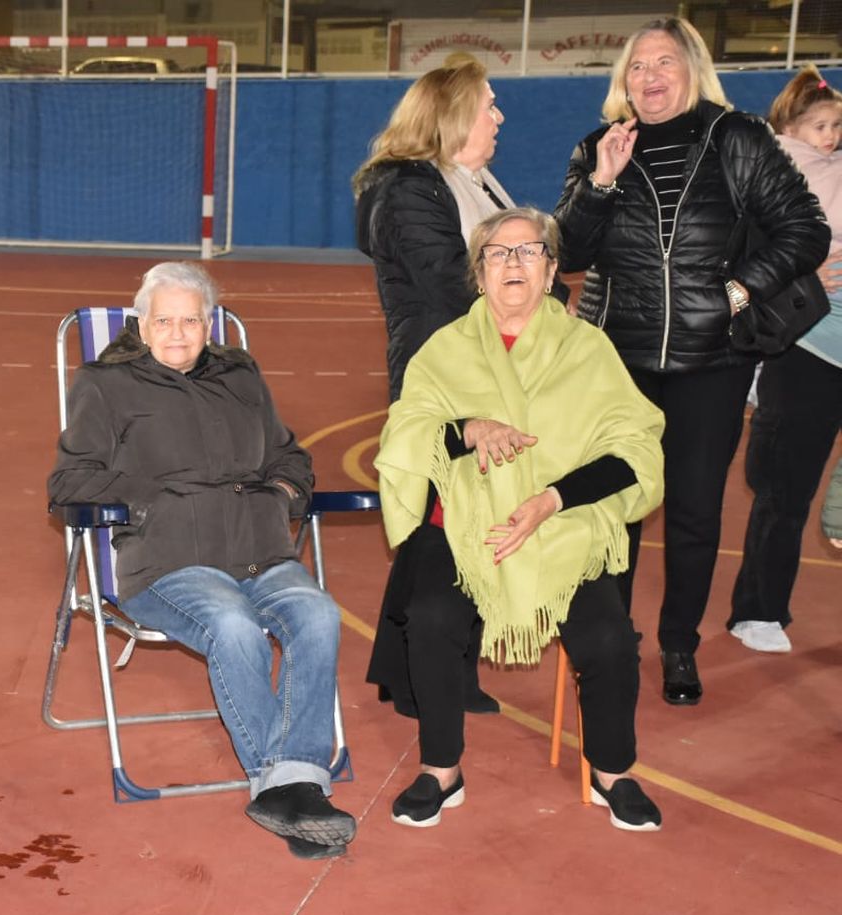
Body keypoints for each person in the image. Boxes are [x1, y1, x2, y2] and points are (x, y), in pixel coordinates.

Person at [553, 17, 828, 705]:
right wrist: (602, 183)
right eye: (637, 64)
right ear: (624, 79)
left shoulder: (738, 137)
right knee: (614, 505)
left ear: (692, 70)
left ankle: (679, 644)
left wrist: (738, 290)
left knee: (695, 510)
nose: (649, 75)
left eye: (664, 62)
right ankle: (611, 641)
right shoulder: (597, 146)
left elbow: (805, 229)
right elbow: (571, 253)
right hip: (617, 362)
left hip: (713, 361)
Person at [47, 262, 356, 861]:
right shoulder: (105, 384)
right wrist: (154, 501)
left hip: (259, 552)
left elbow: (289, 456)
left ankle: (289, 786)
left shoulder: (241, 375)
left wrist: (283, 494)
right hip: (170, 563)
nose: (177, 333)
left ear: (208, 324)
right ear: (142, 323)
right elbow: (68, 482)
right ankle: (290, 789)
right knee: (233, 626)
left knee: (318, 615)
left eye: (190, 321)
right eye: (164, 320)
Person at [376, 207, 666, 831]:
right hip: (465, 529)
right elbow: (407, 434)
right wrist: (467, 429)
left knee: (610, 639)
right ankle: (440, 771)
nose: (513, 263)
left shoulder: (588, 349)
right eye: (498, 253)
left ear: (552, 271)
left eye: (529, 251)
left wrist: (552, 499)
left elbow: (635, 449)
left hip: (561, 525)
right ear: (478, 273)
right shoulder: (445, 350)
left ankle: (613, 771)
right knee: (429, 619)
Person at [353, 55, 521, 719]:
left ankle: (420, 668)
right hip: (441, 380)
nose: (499, 117)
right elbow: (459, 283)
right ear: (453, 117)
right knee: (438, 532)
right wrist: (541, 300)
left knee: (460, 527)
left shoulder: (474, 183)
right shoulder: (409, 190)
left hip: (484, 373)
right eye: (488, 105)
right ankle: (425, 673)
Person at [727, 66, 842, 654]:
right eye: (819, 126)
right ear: (790, 128)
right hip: (808, 348)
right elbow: (758, 253)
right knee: (784, 489)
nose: (830, 136)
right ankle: (759, 610)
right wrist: (803, 268)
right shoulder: (778, 173)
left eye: (836, 126)